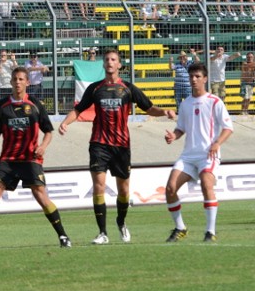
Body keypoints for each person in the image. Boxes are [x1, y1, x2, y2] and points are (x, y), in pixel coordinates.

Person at [59, 50, 175, 245]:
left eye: (113, 60)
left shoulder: (128, 88)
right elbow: (78, 109)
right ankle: (102, 232)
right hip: (99, 143)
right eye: (107, 60)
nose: (109, 63)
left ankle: (121, 222)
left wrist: (164, 111)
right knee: (99, 186)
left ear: (119, 65)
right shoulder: (95, 88)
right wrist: (65, 123)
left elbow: (148, 108)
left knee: (123, 190)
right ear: (103, 65)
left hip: (121, 146)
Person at [0, 67, 72, 251]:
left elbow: (48, 131)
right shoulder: (2, 105)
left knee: (41, 196)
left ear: (27, 82)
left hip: (30, 158)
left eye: (21, 79)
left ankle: (63, 236)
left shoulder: (35, 105)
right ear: (11, 82)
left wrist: (42, 147)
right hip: (8, 158)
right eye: (15, 79)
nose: (17, 82)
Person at [163, 62, 234, 243]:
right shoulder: (186, 103)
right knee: (170, 188)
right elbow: (181, 128)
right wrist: (173, 135)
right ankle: (180, 227)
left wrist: (217, 143)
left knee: (206, 184)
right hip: (188, 155)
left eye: (197, 77)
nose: (194, 80)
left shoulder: (215, 102)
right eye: (191, 77)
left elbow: (228, 128)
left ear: (205, 79)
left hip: (207, 155)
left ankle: (210, 232)